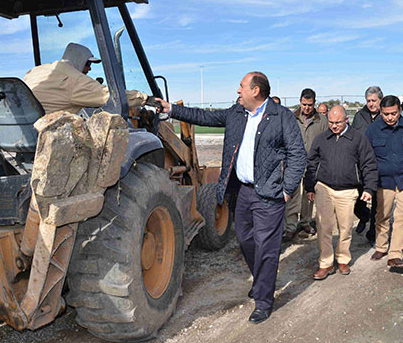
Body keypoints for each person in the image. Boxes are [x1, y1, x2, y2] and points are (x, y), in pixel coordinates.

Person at [157, 71, 306, 324]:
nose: (238, 91)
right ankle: (261, 281)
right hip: (244, 192)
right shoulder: (237, 113)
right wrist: (171, 109)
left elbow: (297, 154)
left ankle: (263, 301)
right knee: (246, 240)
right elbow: (205, 116)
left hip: (270, 194)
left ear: (255, 91)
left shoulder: (282, 118)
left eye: (241, 86)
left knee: (267, 248)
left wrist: (287, 190)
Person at [304, 105, 378, 279]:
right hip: (324, 188)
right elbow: (312, 163)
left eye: (338, 122)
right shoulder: (321, 139)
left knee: (345, 228)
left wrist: (369, 188)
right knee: (324, 228)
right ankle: (325, 263)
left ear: (347, 120)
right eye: (331, 122)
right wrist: (309, 187)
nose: (334, 126)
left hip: (348, 190)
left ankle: (343, 259)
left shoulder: (358, 139)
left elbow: (369, 164)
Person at [365, 95, 403, 268]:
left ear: (400, 111)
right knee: (382, 215)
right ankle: (382, 246)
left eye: (393, 113)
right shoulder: (372, 130)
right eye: (386, 114)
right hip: (383, 181)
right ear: (381, 112)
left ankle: (396, 254)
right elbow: (368, 159)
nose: (390, 117)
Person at [24, 42, 147, 114]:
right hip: (50, 138)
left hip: (25, 135)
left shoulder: (35, 71)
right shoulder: (73, 79)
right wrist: (146, 99)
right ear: (79, 60)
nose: (89, 69)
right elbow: (112, 96)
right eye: (88, 64)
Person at [283, 88, 328, 242]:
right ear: (300, 102)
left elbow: (326, 141)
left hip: (312, 163)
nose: (306, 108)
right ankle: (290, 226)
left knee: (309, 195)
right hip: (293, 162)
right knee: (293, 194)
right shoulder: (291, 118)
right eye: (304, 104)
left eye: (310, 104)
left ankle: (306, 222)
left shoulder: (322, 121)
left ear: (314, 103)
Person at [352, 86, 383, 244]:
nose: (371, 104)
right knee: (357, 201)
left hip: (379, 165)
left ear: (380, 100)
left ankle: (372, 233)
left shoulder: (386, 116)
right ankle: (364, 216)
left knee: (377, 201)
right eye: (369, 101)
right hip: (360, 165)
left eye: (374, 101)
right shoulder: (359, 116)